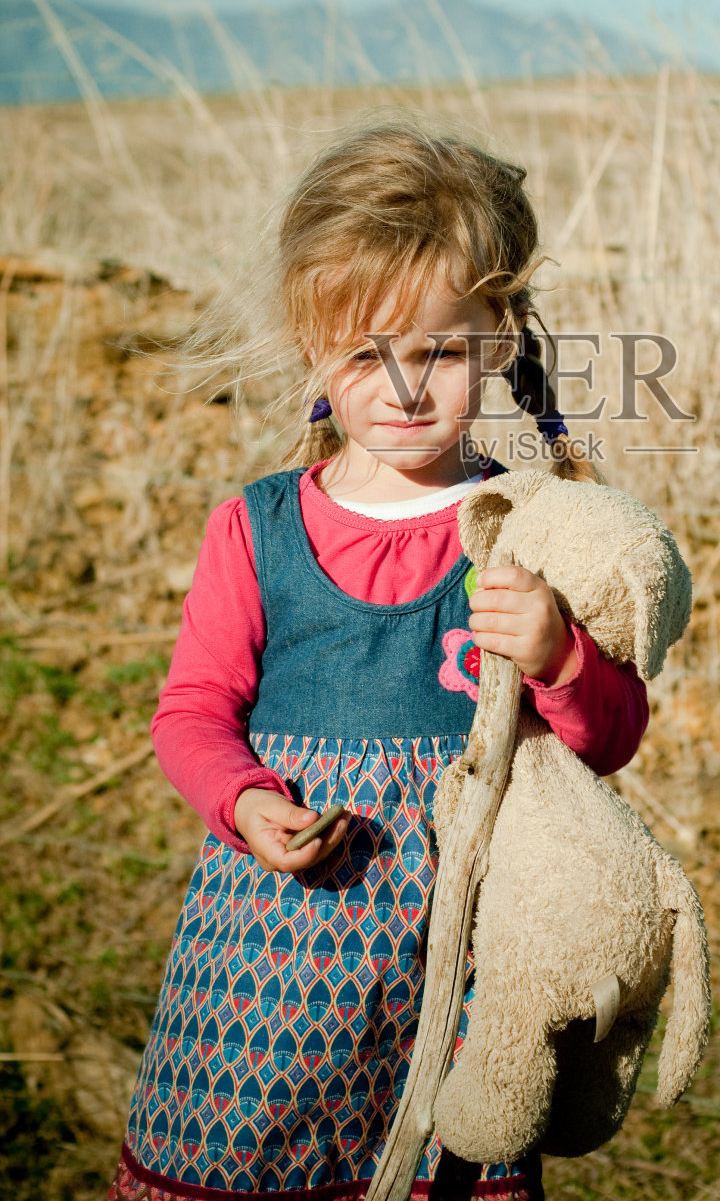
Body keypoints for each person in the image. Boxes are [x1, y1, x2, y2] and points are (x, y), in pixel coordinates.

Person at [108, 110, 650, 1201]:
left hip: (457, 964)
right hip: (269, 953)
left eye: (439, 352)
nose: (403, 389)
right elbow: (192, 712)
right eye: (366, 354)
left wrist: (556, 653)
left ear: (497, 339)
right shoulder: (254, 529)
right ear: (314, 349)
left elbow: (610, 737)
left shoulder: (527, 527)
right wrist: (245, 801)